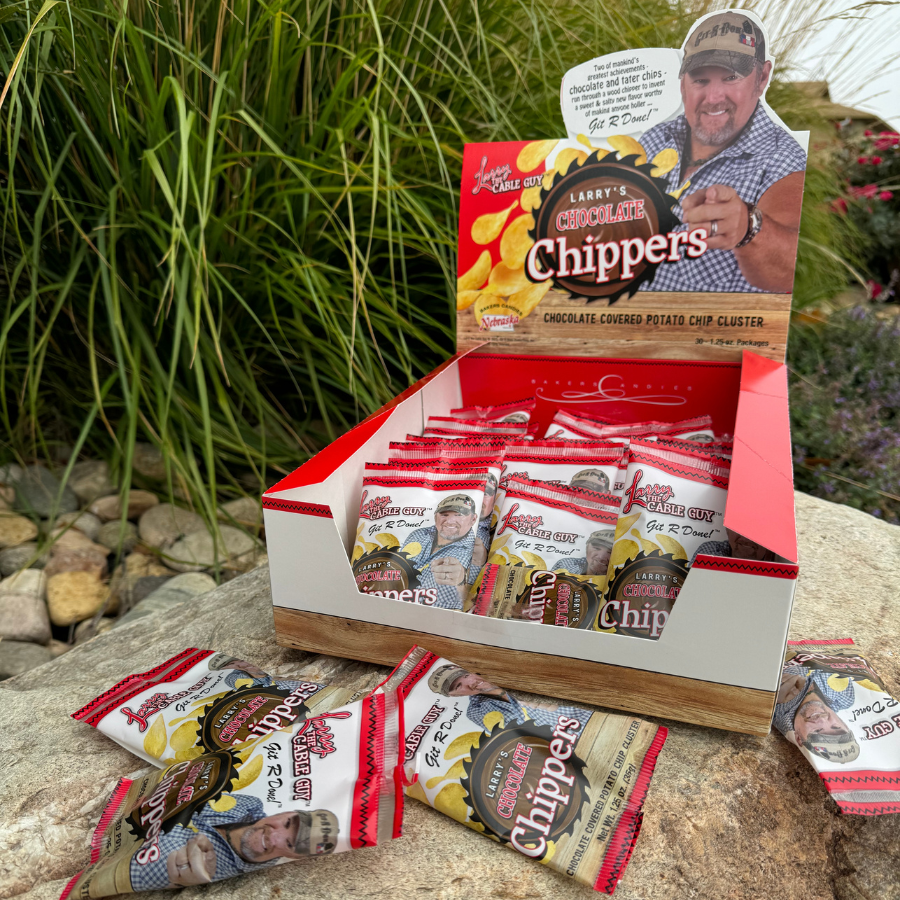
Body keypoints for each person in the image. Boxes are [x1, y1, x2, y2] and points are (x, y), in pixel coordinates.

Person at [638, 11, 806, 294]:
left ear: (762, 77)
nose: (714, 97)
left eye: (731, 77)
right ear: (682, 84)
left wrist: (747, 226)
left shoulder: (783, 160)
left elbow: (790, 268)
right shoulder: (654, 138)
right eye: (700, 80)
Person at [129, 798, 338, 890]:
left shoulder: (207, 869)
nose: (273, 837)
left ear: (295, 857)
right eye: (287, 823)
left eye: (290, 844)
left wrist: (135, 823)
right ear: (287, 812)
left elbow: (129, 869)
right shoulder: (249, 805)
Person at [427, 665, 591, 731]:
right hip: (569, 740)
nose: (471, 683)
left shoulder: (503, 667)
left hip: (589, 711)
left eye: (466, 675)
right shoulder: (476, 711)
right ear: (454, 696)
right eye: (458, 686)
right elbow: (516, 731)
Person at [403, 494, 480, 610]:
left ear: (473, 519)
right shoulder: (418, 535)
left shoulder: (476, 552)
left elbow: (473, 601)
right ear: (435, 517)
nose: (450, 521)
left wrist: (460, 582)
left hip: (437, 617)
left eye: (459, 515)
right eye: (444, 514)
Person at [773, 668, 860, 764]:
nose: (822, 720)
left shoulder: (778, 705)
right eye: (836, 727)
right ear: (844, 724)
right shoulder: (844, 699)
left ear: (798, 738)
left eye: (817, 731)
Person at [690, 527, 773, 563]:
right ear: (727, 530)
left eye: (758, 528)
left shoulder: (778, 563)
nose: (746, 537)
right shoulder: (709, 552)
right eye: (739, 526)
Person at [472, 473, 499, 573]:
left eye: (486, 493)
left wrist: (482, 561)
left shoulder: (499, 529)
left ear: (494, 498)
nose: (478, 499)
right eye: (473, 491)